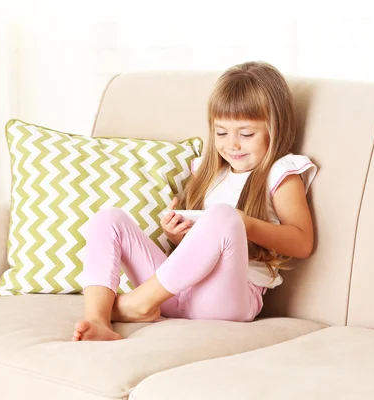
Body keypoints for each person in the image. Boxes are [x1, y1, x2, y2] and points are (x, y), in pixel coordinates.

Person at [73, 61, 317, 341]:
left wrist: (244, 224)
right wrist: (177, 236)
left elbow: (302, 243)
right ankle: (98, 319)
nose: (232, 144)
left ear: (276, 129)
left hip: (225, 303)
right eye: (221, 133)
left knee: (224, 217)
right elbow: (201, 248)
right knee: (109, 219)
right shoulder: (210, 172)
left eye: (246, 134)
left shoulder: (280, 173)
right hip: (177, 293)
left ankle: (135, 304)